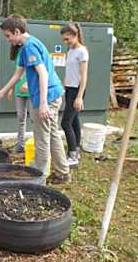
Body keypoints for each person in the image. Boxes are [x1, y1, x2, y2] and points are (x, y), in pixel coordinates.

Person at [0, 14, 70, 184]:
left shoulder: (29, 47)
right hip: (52, 94)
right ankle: (63, 172)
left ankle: (38, 178)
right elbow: (17, 74)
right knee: (53, 134)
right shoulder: (26, 46)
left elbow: (43, 74)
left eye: (8, 35)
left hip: (47, 97)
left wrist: (42, 104)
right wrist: (2, 92)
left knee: (41, 136)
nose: (7, 39)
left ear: (17, 31)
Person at [60, 22, 88, 167]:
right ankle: (76, 149)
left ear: (75, 35)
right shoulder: (70, 51)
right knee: (74, 120)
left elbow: (84, 76)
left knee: (65, 123)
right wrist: (64, 86)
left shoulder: (82, 51)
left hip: (77, 89)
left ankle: (72, 156)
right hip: (69, 89)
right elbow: (70, 72)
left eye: (67, 39)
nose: (66, 42)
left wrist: (79, 97)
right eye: (64, 39)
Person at [7, 44, 30, 153]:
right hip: (18, 90)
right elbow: (16, 74)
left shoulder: (29, 49)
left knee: (36, 120)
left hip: (31, 89)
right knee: (21, 118)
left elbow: (35, 69)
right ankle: (21, 145)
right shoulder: (17, 53)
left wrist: (27, 83)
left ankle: (38, 146)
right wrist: (11, 88)